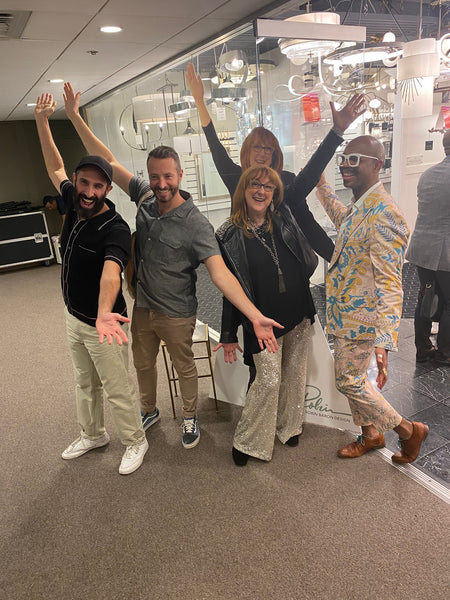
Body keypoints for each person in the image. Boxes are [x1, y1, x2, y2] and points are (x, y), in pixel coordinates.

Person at [63, 82, 282, 450]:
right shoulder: (146, 198)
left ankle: (191, 415)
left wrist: (253, 314)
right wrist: (72, 116)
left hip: (178, 313)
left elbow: (220, 273)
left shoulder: (196, 224)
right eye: (155, 176)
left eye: (168, 176)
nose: (161, 184)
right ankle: (148, 411)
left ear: (179, 176)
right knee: (143, 365)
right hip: (143, 308)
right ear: (149, 177)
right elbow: (108, 162)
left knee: (184, 369)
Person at [34, 93, 148, 475]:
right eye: (84, 183)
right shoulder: (72, 202)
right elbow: (55, 167)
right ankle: (93, 433)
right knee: (85, 384)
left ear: (107, 190)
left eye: (98, 186)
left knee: (117, 389)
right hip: (75, 318)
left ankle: (136, 441)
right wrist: (42, 122)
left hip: (106, 325)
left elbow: (111, 272)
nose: (88, 191)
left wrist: (102, 314)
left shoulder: (114, 228)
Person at [314, 135, 429, 463]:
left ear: (377, 165)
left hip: (363, 321)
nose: (345, 166)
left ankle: (408, 431)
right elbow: (343, 220)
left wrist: (383, 339)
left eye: (354, 160)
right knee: (350, 377)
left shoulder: (385, 214)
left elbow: (392, 284)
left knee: (348, 380)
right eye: (343, 159)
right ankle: (371, 435)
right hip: (343, 316)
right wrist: (320, 184)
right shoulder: (362, 205)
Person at [186, 61, 365, 261]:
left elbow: (308, 224)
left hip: (287, 266)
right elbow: (217, 149)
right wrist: (199, 102)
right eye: (257, 147)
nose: (263, 154)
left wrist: (338, 261)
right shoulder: (237, 180)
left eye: (268, 149)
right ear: (247, 151)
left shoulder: (286, 182)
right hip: (248, 266)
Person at [215, 165, 318, 466]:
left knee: (295, 373)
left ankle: (289, 426)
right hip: (262, 321)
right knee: (269, 379)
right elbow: (229, 287)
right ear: (243, 190)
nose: (261, 191)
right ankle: (247, 440)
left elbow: (308, 179)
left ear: (275, 193)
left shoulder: (284, 219)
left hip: (298, 309)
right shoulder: (228, 234)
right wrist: (228, 333)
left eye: (268, 187)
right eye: (254, 185)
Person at [406, 130, 450, 366]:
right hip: (446, 253)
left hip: (422, 248)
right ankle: (445, 353)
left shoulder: (427, 175)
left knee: (426, 295)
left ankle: (423, 348)